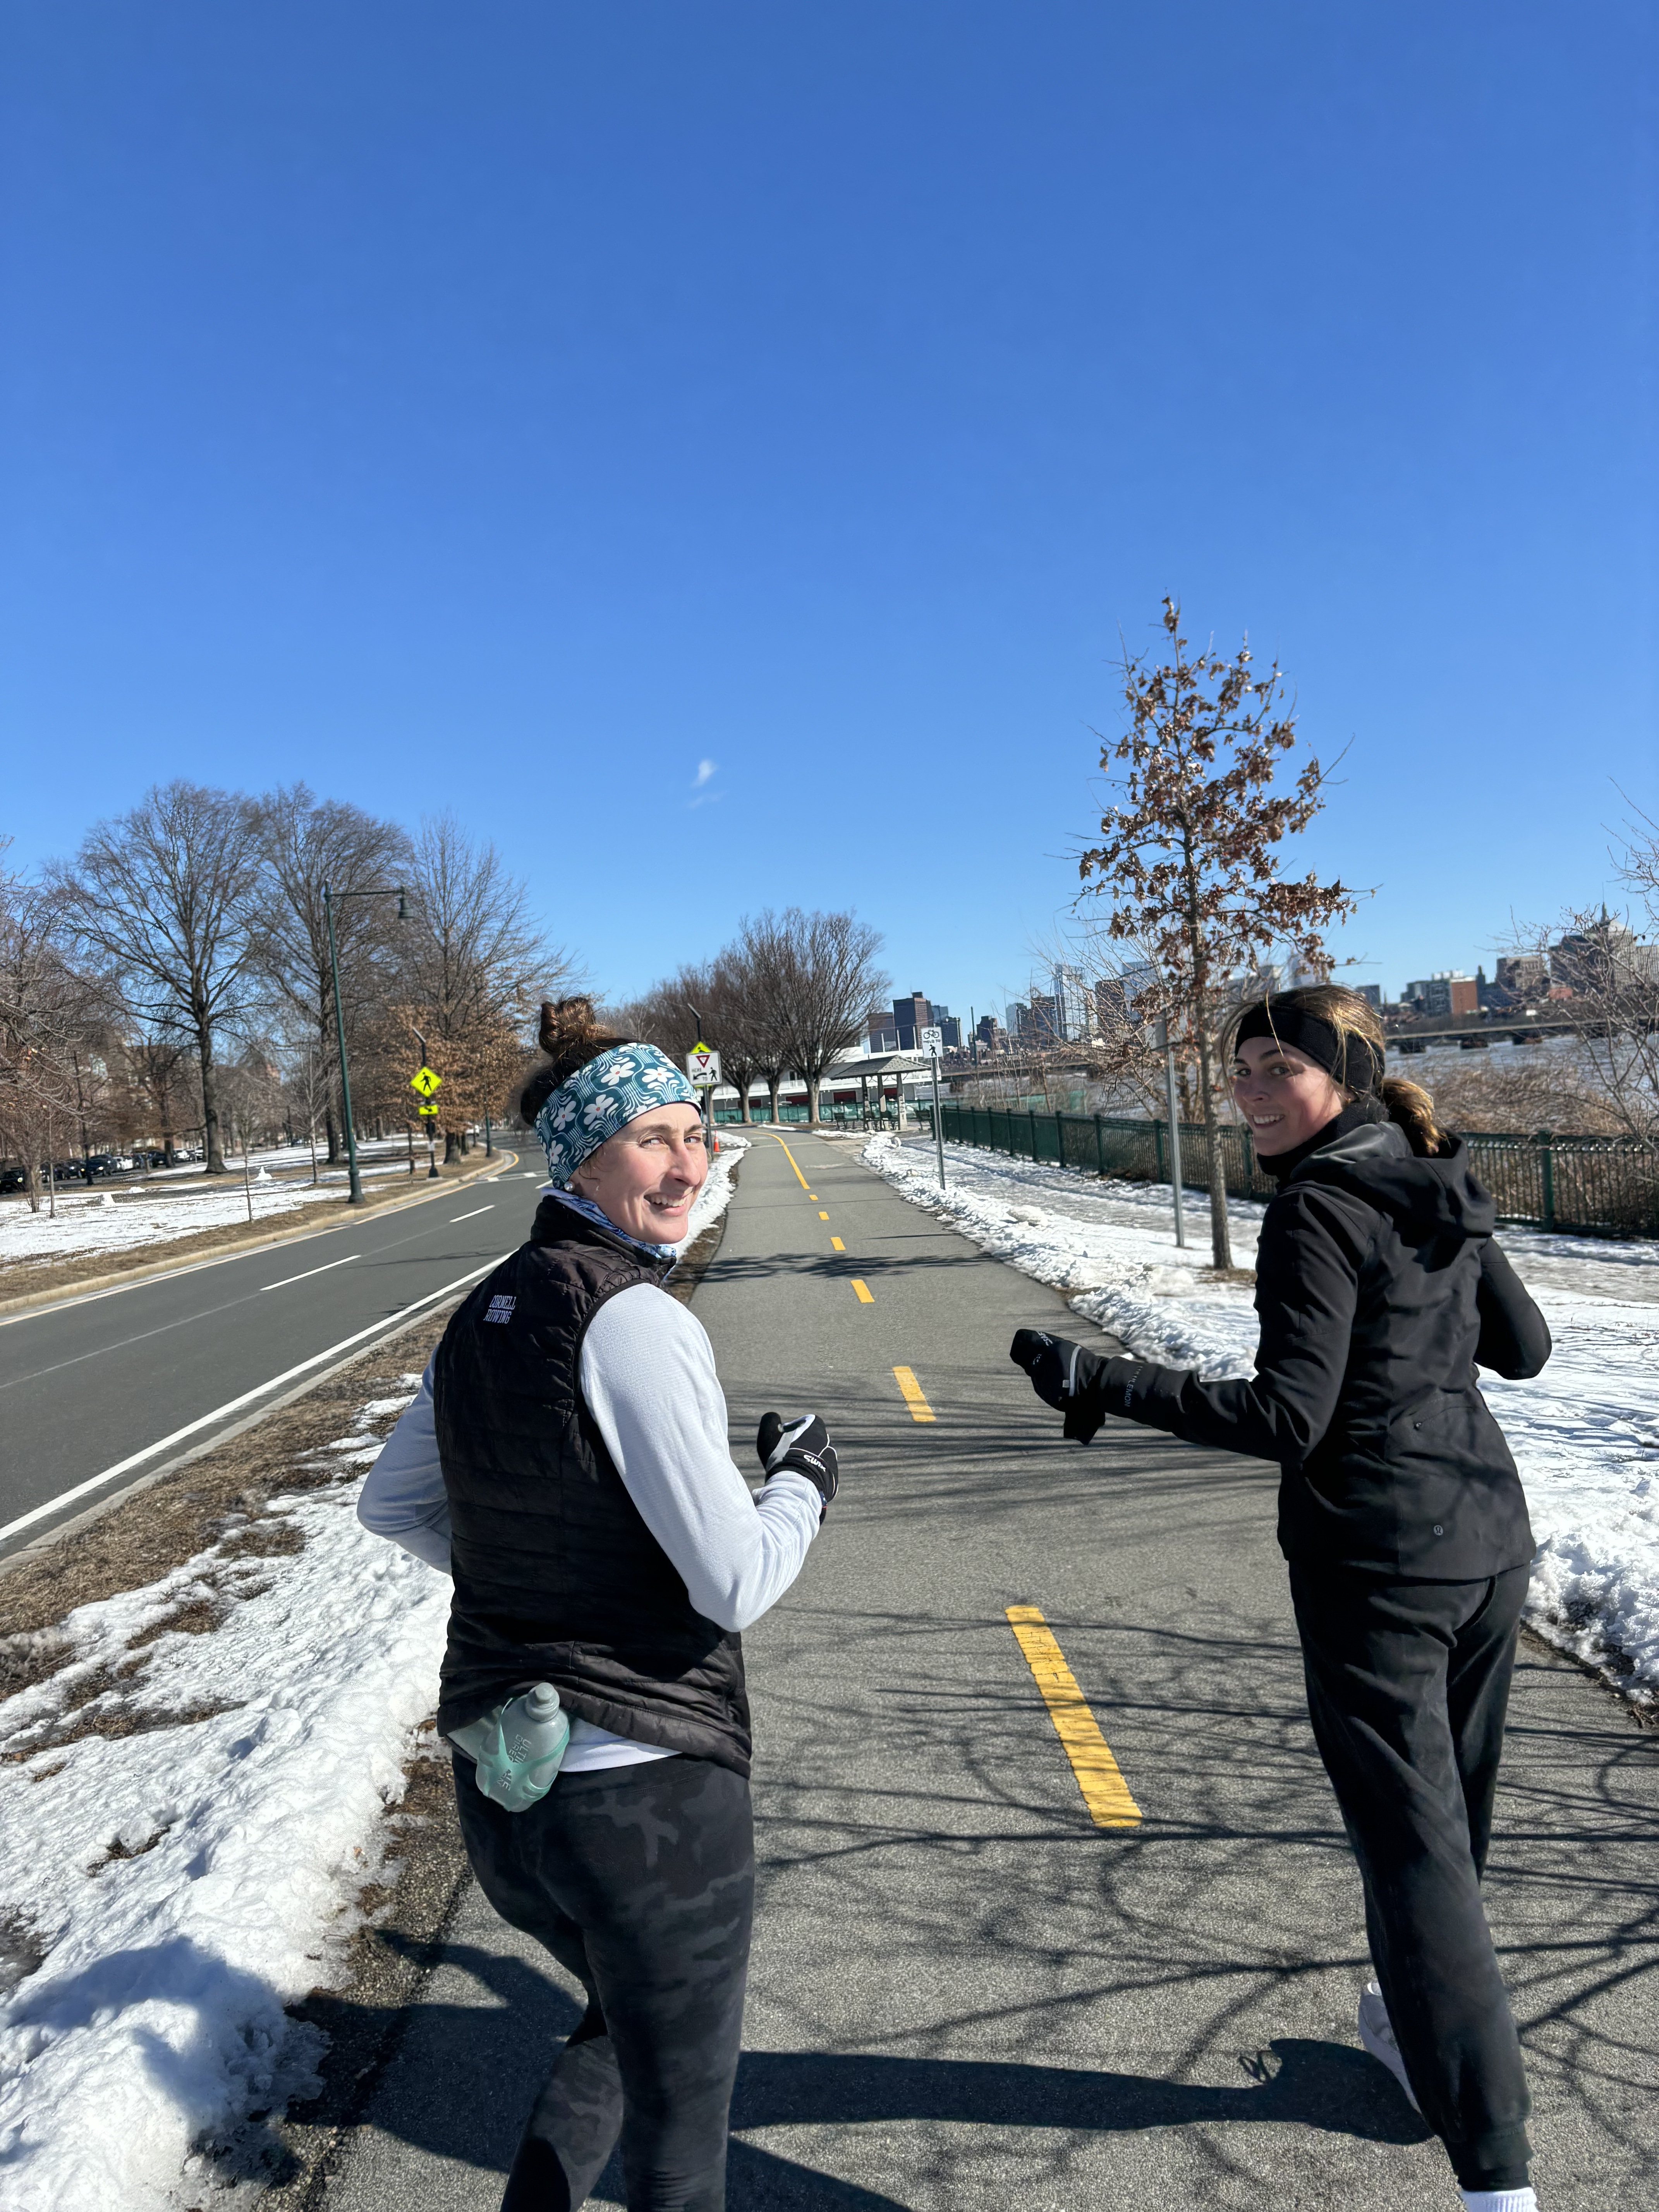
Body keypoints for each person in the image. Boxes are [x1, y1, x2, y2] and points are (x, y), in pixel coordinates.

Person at [1010, 984, 1552, 2212]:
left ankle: (1497, 2180)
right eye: (1238, 1069)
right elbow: (1520, 1352)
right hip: (1485, 1541)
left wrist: (1103, 1378)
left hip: (1375, 1563)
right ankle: (1415, 2036)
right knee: (1444, 1833)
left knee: (1414, 1857)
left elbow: (1283, 1418)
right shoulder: (1430, 1179)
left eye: (1273, 1068)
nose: (1246, 1092)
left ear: (1343, 1075)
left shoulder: (1316, 1206)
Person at [360, 998, 838, 2212]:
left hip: (507, 1801)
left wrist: (539, 1585)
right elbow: (731, 1578)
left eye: (696, 1136)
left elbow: (395, 1508)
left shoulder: (486, 1311)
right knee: (681, 2149)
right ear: (580, 1158)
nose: (688, 1165)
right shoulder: (631, 1319)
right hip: (645, 1802)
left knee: (621, 2035)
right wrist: (802, 1486)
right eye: (652, 1141)